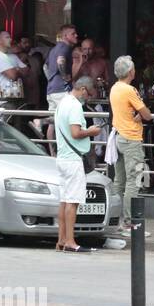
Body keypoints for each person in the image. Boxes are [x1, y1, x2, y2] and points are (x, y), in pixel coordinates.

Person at [106, 55, 152, 251]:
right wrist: (140, 115)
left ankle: (116, 220)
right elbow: (147, 114)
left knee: (119, 181)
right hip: (131, 138)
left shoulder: (115, 88)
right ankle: (129, 223)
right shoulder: (129, 90)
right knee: (134, 181)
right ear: (130, 72)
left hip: (117, 137)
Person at [54, 77, 101, 254]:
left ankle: (61, 240)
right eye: (88, 94)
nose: (88, 98)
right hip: (72, 159)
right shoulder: (74, 106)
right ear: (82, 89)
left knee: (64, 200)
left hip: (62, 157)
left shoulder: (63, 102)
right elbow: (76, 133)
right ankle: (70, 241)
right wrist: (92, 131)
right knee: (73, 202)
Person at [0, 31, 28, 108]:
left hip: (16, 98)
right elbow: (13, 75)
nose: (10, 39)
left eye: (10, 37)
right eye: (7, 37)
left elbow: (27, 72)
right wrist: (18, 70)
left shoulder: (12, 56)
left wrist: (16, 70)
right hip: (3, 101)